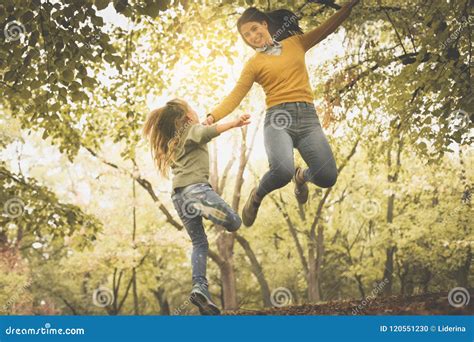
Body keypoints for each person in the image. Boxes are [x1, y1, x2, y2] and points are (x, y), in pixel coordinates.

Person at [204, 0, 360, 227]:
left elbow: (326, 29)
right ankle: (256, 195)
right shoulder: (253, 65)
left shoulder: (296, 43)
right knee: (281, 171)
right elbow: (235, 95)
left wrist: (346, 9)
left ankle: (302, 177)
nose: (253, 36)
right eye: (247, 35)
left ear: (265, 24)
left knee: (327, 177)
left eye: (255, 29)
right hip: (278, 120)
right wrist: (212, 117)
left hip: (308, 119)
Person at [143, 99, 250, 315]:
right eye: (193, 110)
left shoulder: (173, 141)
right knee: (234, 222)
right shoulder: (192, 130)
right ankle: (205, 208)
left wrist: (208, 120)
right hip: (196, 191)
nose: (197, 111)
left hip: (179, 197)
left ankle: (199, 288)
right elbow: (208, 132)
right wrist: (234, 123)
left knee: (199, 243)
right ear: (186, 118)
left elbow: (202, 130)